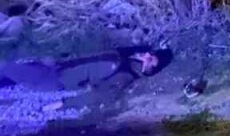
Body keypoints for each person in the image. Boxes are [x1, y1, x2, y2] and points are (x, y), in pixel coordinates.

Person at [0, 46, 173, 111]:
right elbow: (87, 56)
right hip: (53, 67)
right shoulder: (125, 55)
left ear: (146, 68)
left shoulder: (124, 75)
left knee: (5, 68)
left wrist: (64, 104)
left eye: (150, 59)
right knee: (7, 75)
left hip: (51, 79)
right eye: (152, 54)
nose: (148, 55)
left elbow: (101, 95)